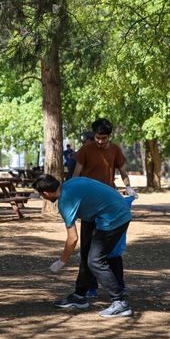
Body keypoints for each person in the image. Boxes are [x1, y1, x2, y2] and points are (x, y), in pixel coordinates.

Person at [33, 174, 133, 317]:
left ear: (46, 193)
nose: (43, 198)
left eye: (41, 196)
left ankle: (120, 303)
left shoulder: (65, 202)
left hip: (114, 217)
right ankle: (79, 296)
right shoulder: (72, 182)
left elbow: (72, 239)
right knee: (86, 253)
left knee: (95, 260)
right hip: (104, 212)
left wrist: (62, 261)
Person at [71, 119, 136, 299]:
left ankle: (119, 285)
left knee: (111, 250)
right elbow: (77, 173)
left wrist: (128, 186)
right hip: (89, 205)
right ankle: (89, 287)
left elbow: (123, 171)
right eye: (97, 137)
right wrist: (73, 193)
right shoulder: (86, 150)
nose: (100, 141)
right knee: (87, 247)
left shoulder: (115, 150)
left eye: (104, 138)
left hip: (108, 206)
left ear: (110, 136)